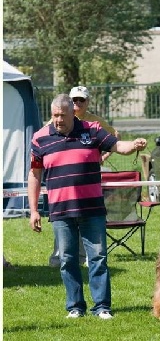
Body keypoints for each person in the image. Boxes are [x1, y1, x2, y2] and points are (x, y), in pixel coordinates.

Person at [28, 94, 147, 319]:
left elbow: (118, 145)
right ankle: (75, 306)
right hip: (60, 210)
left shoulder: (91, 130)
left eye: (62, 115)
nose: (58, 120)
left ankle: (102, 307)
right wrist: (34, 210)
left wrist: (134, 145)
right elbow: (34, 174)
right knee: (67, 260)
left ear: (74, 112)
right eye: (54, 115)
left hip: (92, 209)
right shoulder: (40, 138)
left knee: (98, 257)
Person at [49, 85, 120, 267]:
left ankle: (89, 258)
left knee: (89, 219)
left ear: (87, 102)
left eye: (81, 100)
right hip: (63, 186)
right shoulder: (57, 120)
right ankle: (60, 257)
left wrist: (102, 156)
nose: (78, 103)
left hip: (87, 181)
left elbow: (114, 138)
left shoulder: (94, 123)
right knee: (65, 223)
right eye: (74, 100)